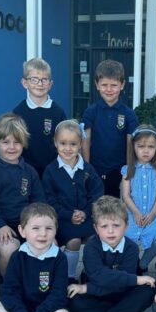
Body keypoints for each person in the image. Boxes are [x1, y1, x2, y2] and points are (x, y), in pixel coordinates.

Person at [67, 196, 156, 312]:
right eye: (104, 226)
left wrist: (87, 287)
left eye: (116, 225)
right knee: (74, 301)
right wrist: (135, 279)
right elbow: (100, 277)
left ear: (126, 226)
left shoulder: (131, 248)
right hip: (97, 295)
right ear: (96, 228)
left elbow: (121, 285)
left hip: (121, 293)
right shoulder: (91, 247)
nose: (110, 231)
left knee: (148, 289)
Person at [0, 113, 45, 286]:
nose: (11, 147)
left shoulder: (29, 172)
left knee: (49, 244)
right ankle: (7, 284)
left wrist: (35, 226)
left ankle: (36, 287)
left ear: (23, 144)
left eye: (16, 142)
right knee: (10, 249)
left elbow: (38, 203)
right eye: (5, 142)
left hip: (27, 225)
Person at [42, 119, 104, 283]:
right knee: (74, 241)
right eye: (63, 143)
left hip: (86, 216)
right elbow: (49, 199)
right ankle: (69, 277)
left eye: (73, 144)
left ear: (80, 144)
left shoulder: (87, 169)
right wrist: (68, 215)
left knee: (96, 239)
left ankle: (91, 272)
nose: (68, 149)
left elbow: (97, 194)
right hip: (62, 219)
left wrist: (86, 212)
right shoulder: (51, 171)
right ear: (55, 143)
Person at [81, 60, 138, 197]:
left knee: (116, 211)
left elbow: (131, 145)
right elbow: (85, 143)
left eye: (114, 85)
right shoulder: (91, 112)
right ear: (96, 85)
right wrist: (87, 170)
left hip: (119, 172)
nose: (109, 89)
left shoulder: (129, 114)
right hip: (95, 170)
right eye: (104, 85)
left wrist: (128, 172)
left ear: (122, 85)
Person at [120, 125, 156, 273]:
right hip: (132, 214)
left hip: (155, 215)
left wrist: (152, 214)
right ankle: (131, 264)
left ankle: (142, 264)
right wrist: (135, 213)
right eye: (141, 146)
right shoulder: (128, 169)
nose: (146, 150)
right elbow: (126, 196)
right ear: (134, 147)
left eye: (151, 147)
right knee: (128, 239)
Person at [12, 57, 67, 179]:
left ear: (50, 84)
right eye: (34, 80)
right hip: (25, 171)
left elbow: (65, 142)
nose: (40, 84)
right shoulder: (18, 113)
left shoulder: (58, 112)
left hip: (53, 172)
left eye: (44, 80)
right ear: (25, 83)